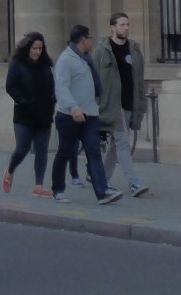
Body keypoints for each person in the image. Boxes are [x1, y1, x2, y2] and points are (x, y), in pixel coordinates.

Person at [50, 24, 122, 205]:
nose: (92, 41)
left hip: (89, 115)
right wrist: (74, 107)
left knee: (94, 152)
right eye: (90, 38)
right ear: (83, 39)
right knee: (64, 153)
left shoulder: (85, 59)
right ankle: (58, 189)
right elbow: (61, 88)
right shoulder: (66, 60)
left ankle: (102, 192)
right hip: (69, 116)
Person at [92, 12, 149, 197]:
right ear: (112, 28)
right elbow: (92, 79)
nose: (126, 28)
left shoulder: (134, 49)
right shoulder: (102, 51)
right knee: (123, 142)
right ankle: (134, 183)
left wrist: (140, 103)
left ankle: (102, 178)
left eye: (127, 24)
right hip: (111, 105)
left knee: (116, 145)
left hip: (127, 103)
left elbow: (139, 79)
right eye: (122, 24)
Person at [2, 32, 55, 197]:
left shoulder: (45, 65)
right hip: (24, 115)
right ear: (27, 48)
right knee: (22, 148)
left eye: (40, 48)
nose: (37, 52)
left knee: (42, 150)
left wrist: (52, 102)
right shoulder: (18, 64)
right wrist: (22, 100)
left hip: (44, 114)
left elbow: (51, 86)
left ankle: (39, 185)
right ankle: (10, 170)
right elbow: (10, 86)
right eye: (34, 48)